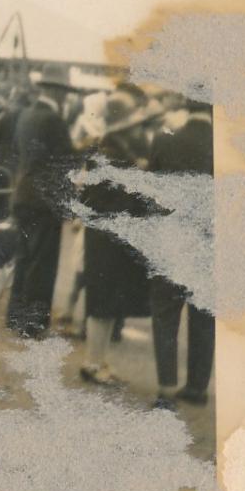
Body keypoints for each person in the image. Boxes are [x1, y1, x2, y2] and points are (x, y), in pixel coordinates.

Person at [73, 95, 158, 388]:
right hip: (109, 237)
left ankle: (98, 360)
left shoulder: (103, 148)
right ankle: (92, 363)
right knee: (103, 304)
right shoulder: (115, 154)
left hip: (102, 235)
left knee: (105, 303)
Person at [147, 97, 214, 410]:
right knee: (203, 318)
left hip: (170, 239)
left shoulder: (165, 139)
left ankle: (166, 389)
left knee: (165, 315)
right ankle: (197, 388)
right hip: (209, 244)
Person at [4, 64, 80, 338]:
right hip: (44, 201)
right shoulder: (54, 121)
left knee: (24, 257)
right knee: (42, 262)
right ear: (57, 92)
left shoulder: (26, 114)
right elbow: (66, 161)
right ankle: (32, 324)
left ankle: (15, 316)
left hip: (24, 194)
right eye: (63, 92)